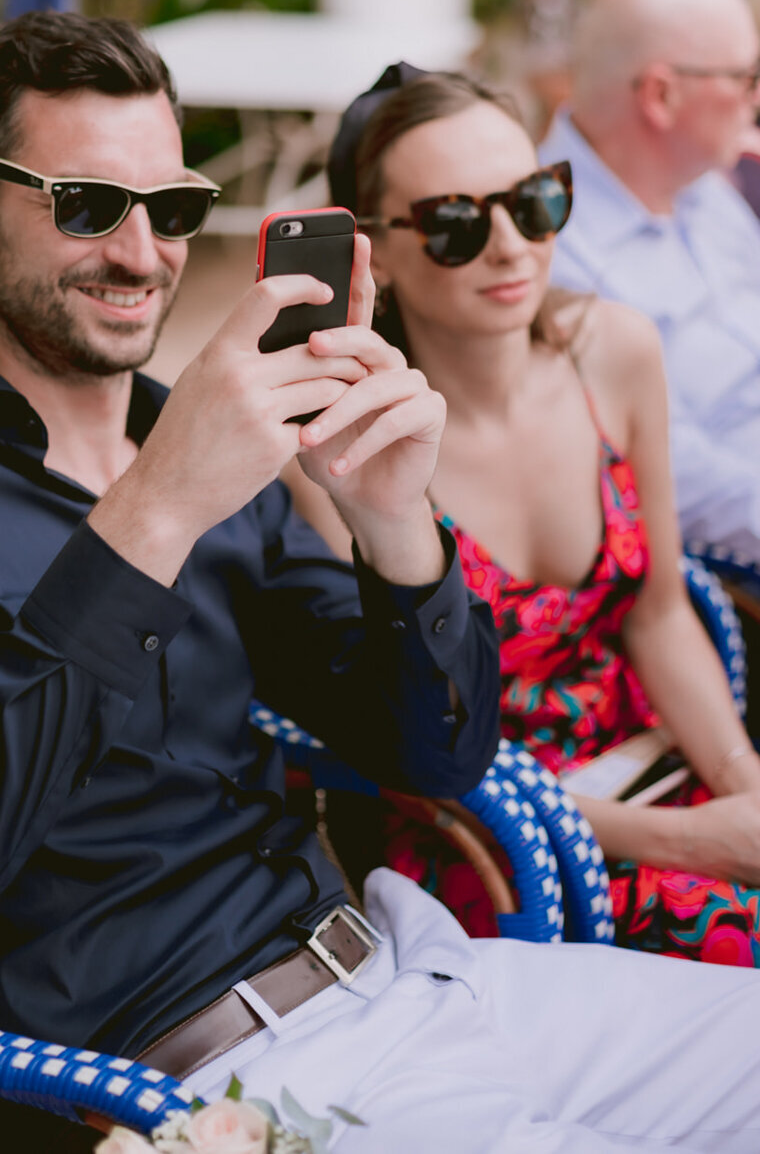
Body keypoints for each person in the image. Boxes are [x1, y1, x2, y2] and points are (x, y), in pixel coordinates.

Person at [0, 15, 760, 1154]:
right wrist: (150, 511)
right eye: (86, 204)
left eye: (172, 210)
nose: (141, 255)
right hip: (208, 1086)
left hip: (420, 972)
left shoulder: (215, 448)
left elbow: (437, 754)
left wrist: (392, 525)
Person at [316, 62, 760, 969]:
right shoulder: (339, 442)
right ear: (378, 253)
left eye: (534, 201)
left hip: (660, 767)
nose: (512, 244)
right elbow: (404, 753)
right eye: (454, 222)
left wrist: (741, 787)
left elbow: (661, 610)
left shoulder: (617, 352)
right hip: (498, 841)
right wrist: (680, 842)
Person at [536, 0, 760, 564]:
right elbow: (676, 478)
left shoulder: (705, 184)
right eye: (746, 77)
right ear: (662, 95)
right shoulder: (543, 250)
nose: (754, 99)